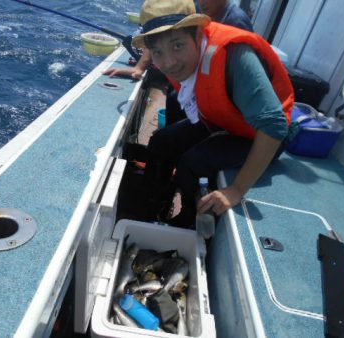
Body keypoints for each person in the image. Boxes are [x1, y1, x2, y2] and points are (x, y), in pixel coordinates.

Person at [132, 0, 294, 227]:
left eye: (177, 46)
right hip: (223, 120)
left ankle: (187, 223)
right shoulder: (176, 58)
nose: (169, 62)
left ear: (198, 36)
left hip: (262, 135)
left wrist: (237, 189)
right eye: (158, 52)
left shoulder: (235, 56)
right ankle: (152, 209)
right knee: (162, 141)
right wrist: (140, 66)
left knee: (192, 162)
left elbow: (274, 125)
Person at [102, 0, 253, 80]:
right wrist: (139, 68)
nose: (201, 2)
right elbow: (160, 36)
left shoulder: (236, 21)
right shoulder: (196, 8)